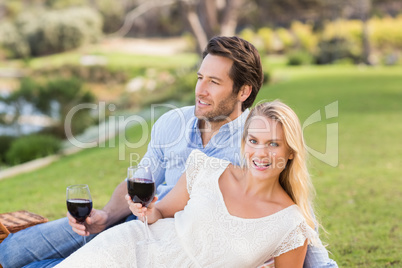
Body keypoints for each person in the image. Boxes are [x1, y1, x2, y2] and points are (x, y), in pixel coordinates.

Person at [0, 36, 337, 268]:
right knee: (11, 252)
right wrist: (107, 215)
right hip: (138, 226)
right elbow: (139, 179)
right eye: (200, 77)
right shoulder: (171, 123)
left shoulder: (255, 145)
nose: (200, 91)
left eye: (214, 83)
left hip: (179, 243)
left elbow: (293, 224)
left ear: (243, 90)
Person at [55, 100, 320, 267]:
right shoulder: (207, 169)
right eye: (253, 141)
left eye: (273, 144)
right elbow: (159, 213)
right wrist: (147, 211)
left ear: (291, 152)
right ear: (244, 143)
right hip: (129, 250)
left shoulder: (291, 225)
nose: (260, 154)